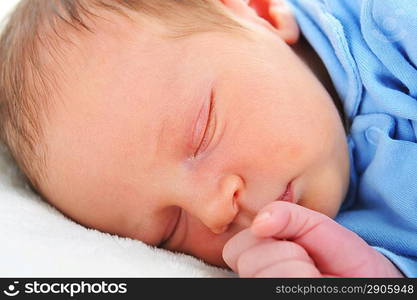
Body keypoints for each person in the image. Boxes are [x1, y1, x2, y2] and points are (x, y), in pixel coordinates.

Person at [0, 0, 414, 277]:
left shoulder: (389, 23)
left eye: (201, 135)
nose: (216, 212)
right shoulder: (349, 243)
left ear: (259, 13)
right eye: (170, 230)